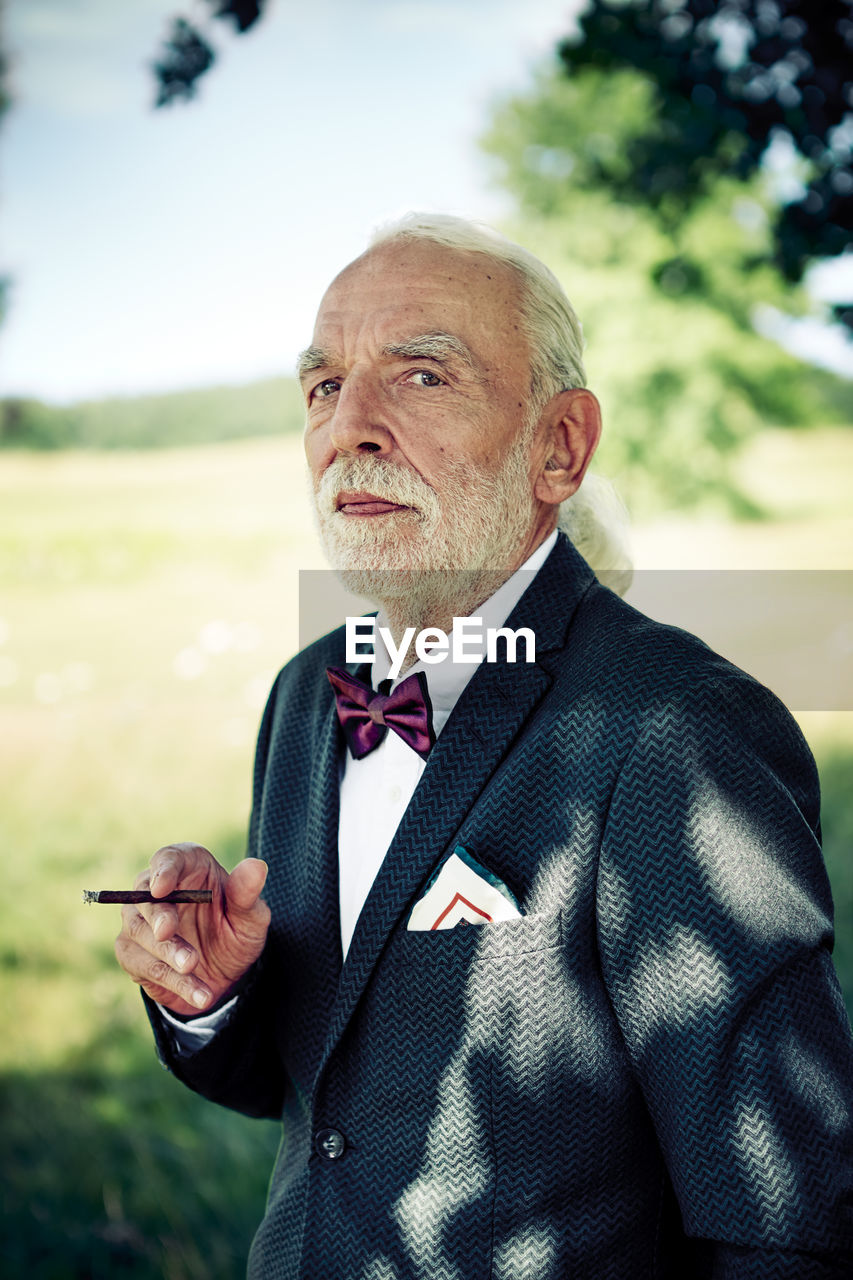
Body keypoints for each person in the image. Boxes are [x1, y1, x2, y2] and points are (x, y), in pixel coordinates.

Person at [114, 214, 853, 1279]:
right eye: (322, 386)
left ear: (559, 446)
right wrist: (210, 993)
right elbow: (325, 1097)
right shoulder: (305, 695)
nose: (350, 426)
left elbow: (780, 1207)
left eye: (420, 376)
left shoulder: (678, 726)